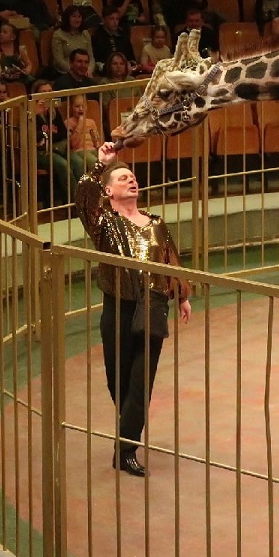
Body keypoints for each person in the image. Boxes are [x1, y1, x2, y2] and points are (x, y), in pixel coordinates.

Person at [76, 142, 192, 478]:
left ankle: (126, 449)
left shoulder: (156, 223)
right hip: (118, 308)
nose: (132, 180)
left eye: (133, 177)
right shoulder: (105, 224)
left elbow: (170, 259)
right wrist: (101, 165)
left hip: (153, 305)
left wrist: (181, 295)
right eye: (123, 177)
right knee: (119, 379)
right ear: (109, 191)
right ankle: (128, 426)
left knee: (141, 381)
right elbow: (84, 197)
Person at [51, 6, 95, 75]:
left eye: (79, 17)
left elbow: (91, 56)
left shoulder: (85, 34)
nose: (77, 20)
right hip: (66, 72)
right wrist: (75, 71)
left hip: (85, 72)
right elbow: (59, 60)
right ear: (67, 18)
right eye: (74, 16)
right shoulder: (58, 35)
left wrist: (89, 69)